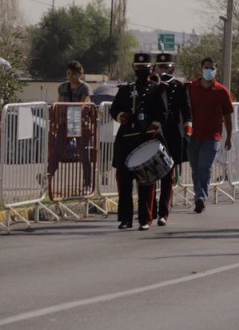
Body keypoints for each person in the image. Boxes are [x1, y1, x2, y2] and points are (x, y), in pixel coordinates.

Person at [108, 53, 164, 230]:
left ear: (151, 70)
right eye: (139, 69)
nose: (141, 72)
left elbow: (162, 112)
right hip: (126, 140)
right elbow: (114, 109)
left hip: (145, 140)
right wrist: (120, 116)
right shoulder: (125, 90)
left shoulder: (156, 89)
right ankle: (125, 219)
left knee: (146, 182)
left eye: (145, 69)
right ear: (134, 69)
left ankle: (144, 219)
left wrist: (154, 125)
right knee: (124, 182)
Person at [185, 57, 234, 214]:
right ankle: (199, 195)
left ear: (216, 69)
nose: (209, 70)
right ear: (201, 69)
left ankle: (201, 197)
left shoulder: (221, 91)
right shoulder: (191, 87)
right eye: (206, 67)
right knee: (195, 168)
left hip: (212, 136)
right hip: (193, 135)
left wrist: (229, 137)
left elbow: (227, 116)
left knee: (204, 167)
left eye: (212, 68)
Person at [150, 53, 191, 227]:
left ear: (172, 68)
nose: (163, 70)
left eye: (166, 67)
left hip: (172, 132)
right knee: (150, 173)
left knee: (168, 174)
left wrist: (188, 133)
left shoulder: (179, 86)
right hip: (153, 131)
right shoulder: (151, 86)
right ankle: (149, 209)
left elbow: (187, 112)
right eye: (160, 67)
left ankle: (163, 212)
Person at [56, 61, 95, 195]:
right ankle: (47, 180)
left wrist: (77, 108)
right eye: (68, 73)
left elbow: (86, 102)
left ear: (80, 74)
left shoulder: (85, 88)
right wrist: (57, 118)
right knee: (56, 151)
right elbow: (59, 103)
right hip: (65, 123)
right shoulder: (62, 87)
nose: (70, 76)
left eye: (73, 73)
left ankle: (87, 184)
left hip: (80, 123)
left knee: (84, 154)